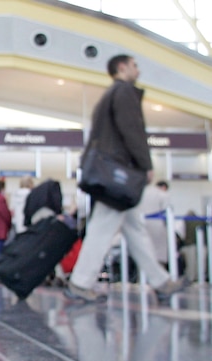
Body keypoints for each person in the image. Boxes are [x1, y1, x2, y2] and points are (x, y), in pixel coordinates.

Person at [65, 55, 186, 303]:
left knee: (135, 228)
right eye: (134, 65)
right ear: (122, 67)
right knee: (102, 229)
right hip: (119, 176)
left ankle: (160, 281)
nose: (137, 70)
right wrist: (145, 164)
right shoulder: (124, 92)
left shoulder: (110, 95)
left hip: (110, 175)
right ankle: (80, 282)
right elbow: (132, 130)